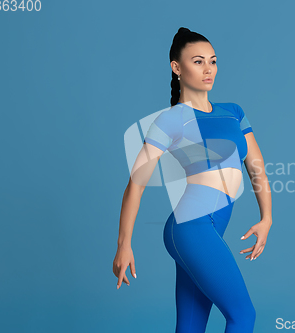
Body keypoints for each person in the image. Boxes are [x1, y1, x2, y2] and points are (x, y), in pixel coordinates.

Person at [113, 27, 273, 333]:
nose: (208, 69)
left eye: (212, 61)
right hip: (190, 228)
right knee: (243, 315)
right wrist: (124, 244)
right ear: (177, 67)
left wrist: (266, 218)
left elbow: (257, 168)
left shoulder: (233, 112)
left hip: (210, 228)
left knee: (190, 325)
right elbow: (136, 183)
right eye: (198, 61)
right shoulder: (171, 120)